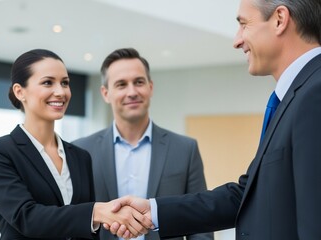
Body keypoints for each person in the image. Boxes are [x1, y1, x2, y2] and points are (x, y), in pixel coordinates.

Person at [107, 0, 321, 239]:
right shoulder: (297, 96)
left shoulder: (315, 93)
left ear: (280, 20)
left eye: (243, 24)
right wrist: (154, 211)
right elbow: (245, 195)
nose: (236, 40)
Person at [0, 49, 153, 240]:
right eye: (47, 82)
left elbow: (88, 232)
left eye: (65, 83)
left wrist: (110, 219)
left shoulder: (80, 156)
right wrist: (97, 211)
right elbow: (26, 217)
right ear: (20, 92)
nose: (61, 92)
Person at [73, 48, 213, 240]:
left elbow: (201, 221)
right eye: (121, 84)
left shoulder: (185, 149)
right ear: (106, 93)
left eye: (138, 82)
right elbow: (74, 220)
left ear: (150, 87)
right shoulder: (81, 150)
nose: (132, 92)